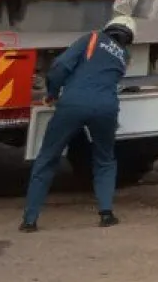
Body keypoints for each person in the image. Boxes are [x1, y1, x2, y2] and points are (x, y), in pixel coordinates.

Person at [20, 13, 137, 232]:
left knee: (48, 158)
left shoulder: (92, 38)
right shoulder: (124, 56)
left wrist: (52, 92)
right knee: (104, 159)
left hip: (73, 104)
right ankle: (106, 213)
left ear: (109, 28)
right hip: (106, 108)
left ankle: (30, 220)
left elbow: (60, 66)